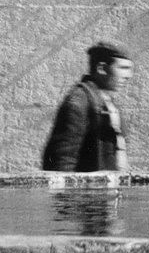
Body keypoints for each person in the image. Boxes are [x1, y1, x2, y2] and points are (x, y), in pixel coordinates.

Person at [42, 41, 132, 173]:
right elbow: (62, 161)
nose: (128, 76)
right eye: (123, 68)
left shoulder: (106, 101)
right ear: (101, 68)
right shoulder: (79, 101)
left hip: (109, 185)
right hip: (90, 186)